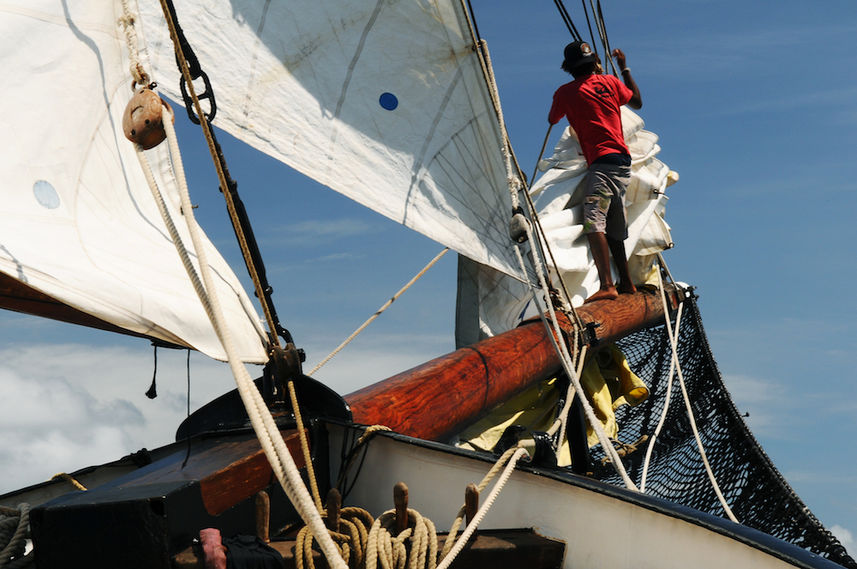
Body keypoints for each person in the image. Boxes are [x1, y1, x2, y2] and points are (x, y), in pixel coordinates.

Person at [548, 41, 642, 303]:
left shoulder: (565, 93)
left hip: (601, 166)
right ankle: (627, 282)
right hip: (622, 164)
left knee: (593, 223)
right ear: (594, 63)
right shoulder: (610, 83)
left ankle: (607, 285)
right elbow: (637, 102)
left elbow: (552, 119)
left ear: (568, 68)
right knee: (613, 226)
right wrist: (624, 69)